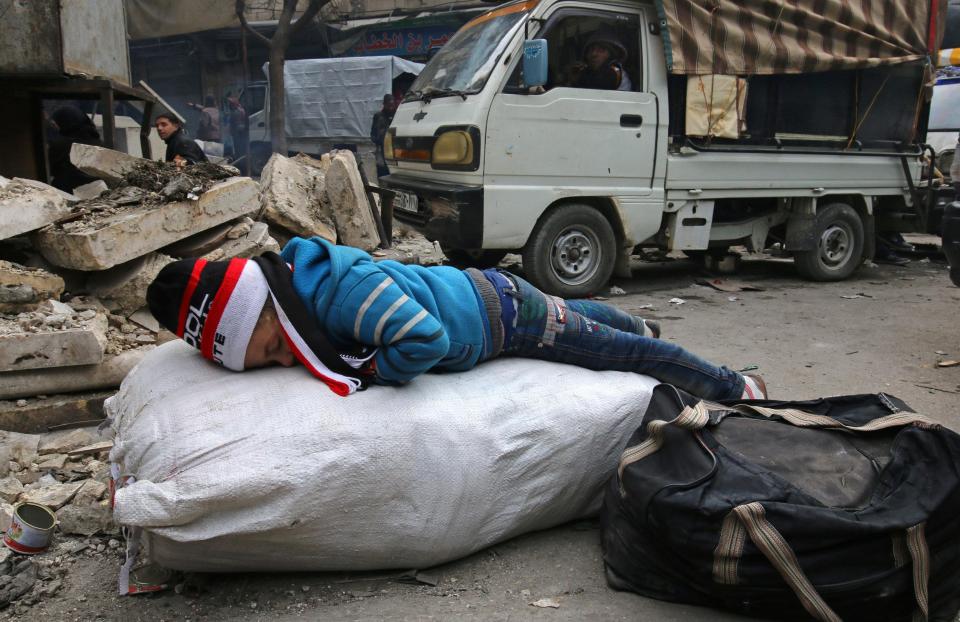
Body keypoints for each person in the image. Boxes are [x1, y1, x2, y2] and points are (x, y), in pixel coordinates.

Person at [146, 237, 766, 402]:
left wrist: (376, 371)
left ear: (273, 305)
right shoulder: (303, 302)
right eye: (269, 363)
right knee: (576, 315)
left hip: (501, 318)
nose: (286, 360)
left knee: (610, 353)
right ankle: (640, 325)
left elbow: (426, 338)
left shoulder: (342, 295)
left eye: (276, 345)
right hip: (494, 299)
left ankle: (730, 384)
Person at [47, 105, 103, 192]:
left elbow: (47, 169)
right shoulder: (99, 143)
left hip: (66, 192)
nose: (56, 127)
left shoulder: (62, 145)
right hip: (100, 190)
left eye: (56, 124)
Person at [568, 31, 632, 91]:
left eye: (601, 50)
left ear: (611, 55)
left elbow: (597, 84)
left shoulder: (614, 70)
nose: (593, 54)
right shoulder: (591, 72)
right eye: (591, 50)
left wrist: (577, 78)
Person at [370, 94, 397, 178]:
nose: (390, 108)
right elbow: (373, 134)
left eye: (392, 105)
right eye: (389, 105)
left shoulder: (396, 115)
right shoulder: (378, 116)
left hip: (394, 148)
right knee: (382, 172)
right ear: (384, 104)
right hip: (382, 149)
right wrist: (379, 141)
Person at [226, 96, 248, 162]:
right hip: (241, 131)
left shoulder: (235, 112)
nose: (229, 105)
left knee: (238, 148)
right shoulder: (241, 109)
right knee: (240, 148)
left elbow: (232, 123)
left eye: (230, 104)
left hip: (238, 132)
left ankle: (240, 162)